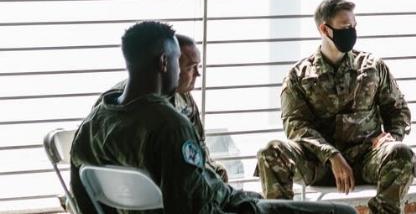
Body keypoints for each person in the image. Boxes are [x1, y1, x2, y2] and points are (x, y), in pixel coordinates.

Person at [70, 20, 356, 214]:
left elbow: (82, 195)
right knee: (343, 212)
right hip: (231, 209)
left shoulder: (94, 123)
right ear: (163, 62)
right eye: (179, 63)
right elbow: (194, 208)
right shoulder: (169, 126)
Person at [256, 0, 416, 214]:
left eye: (354, 26)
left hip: (366, 158)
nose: (351, 32)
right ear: (325, 29)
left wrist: (391, 136)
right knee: (271, 151)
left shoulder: (372, 67)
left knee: (402, 153)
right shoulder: (299, 76)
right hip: (318, 163)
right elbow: (295, 125)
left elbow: (398, 110)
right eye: (345, 27)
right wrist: (331, 154)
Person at [96, 34, 228, 181]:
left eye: (198, 66)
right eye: (191, 67)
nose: (198, 73)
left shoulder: (183, 96)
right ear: (167, 64)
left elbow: (199, 144)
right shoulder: (128, 103)